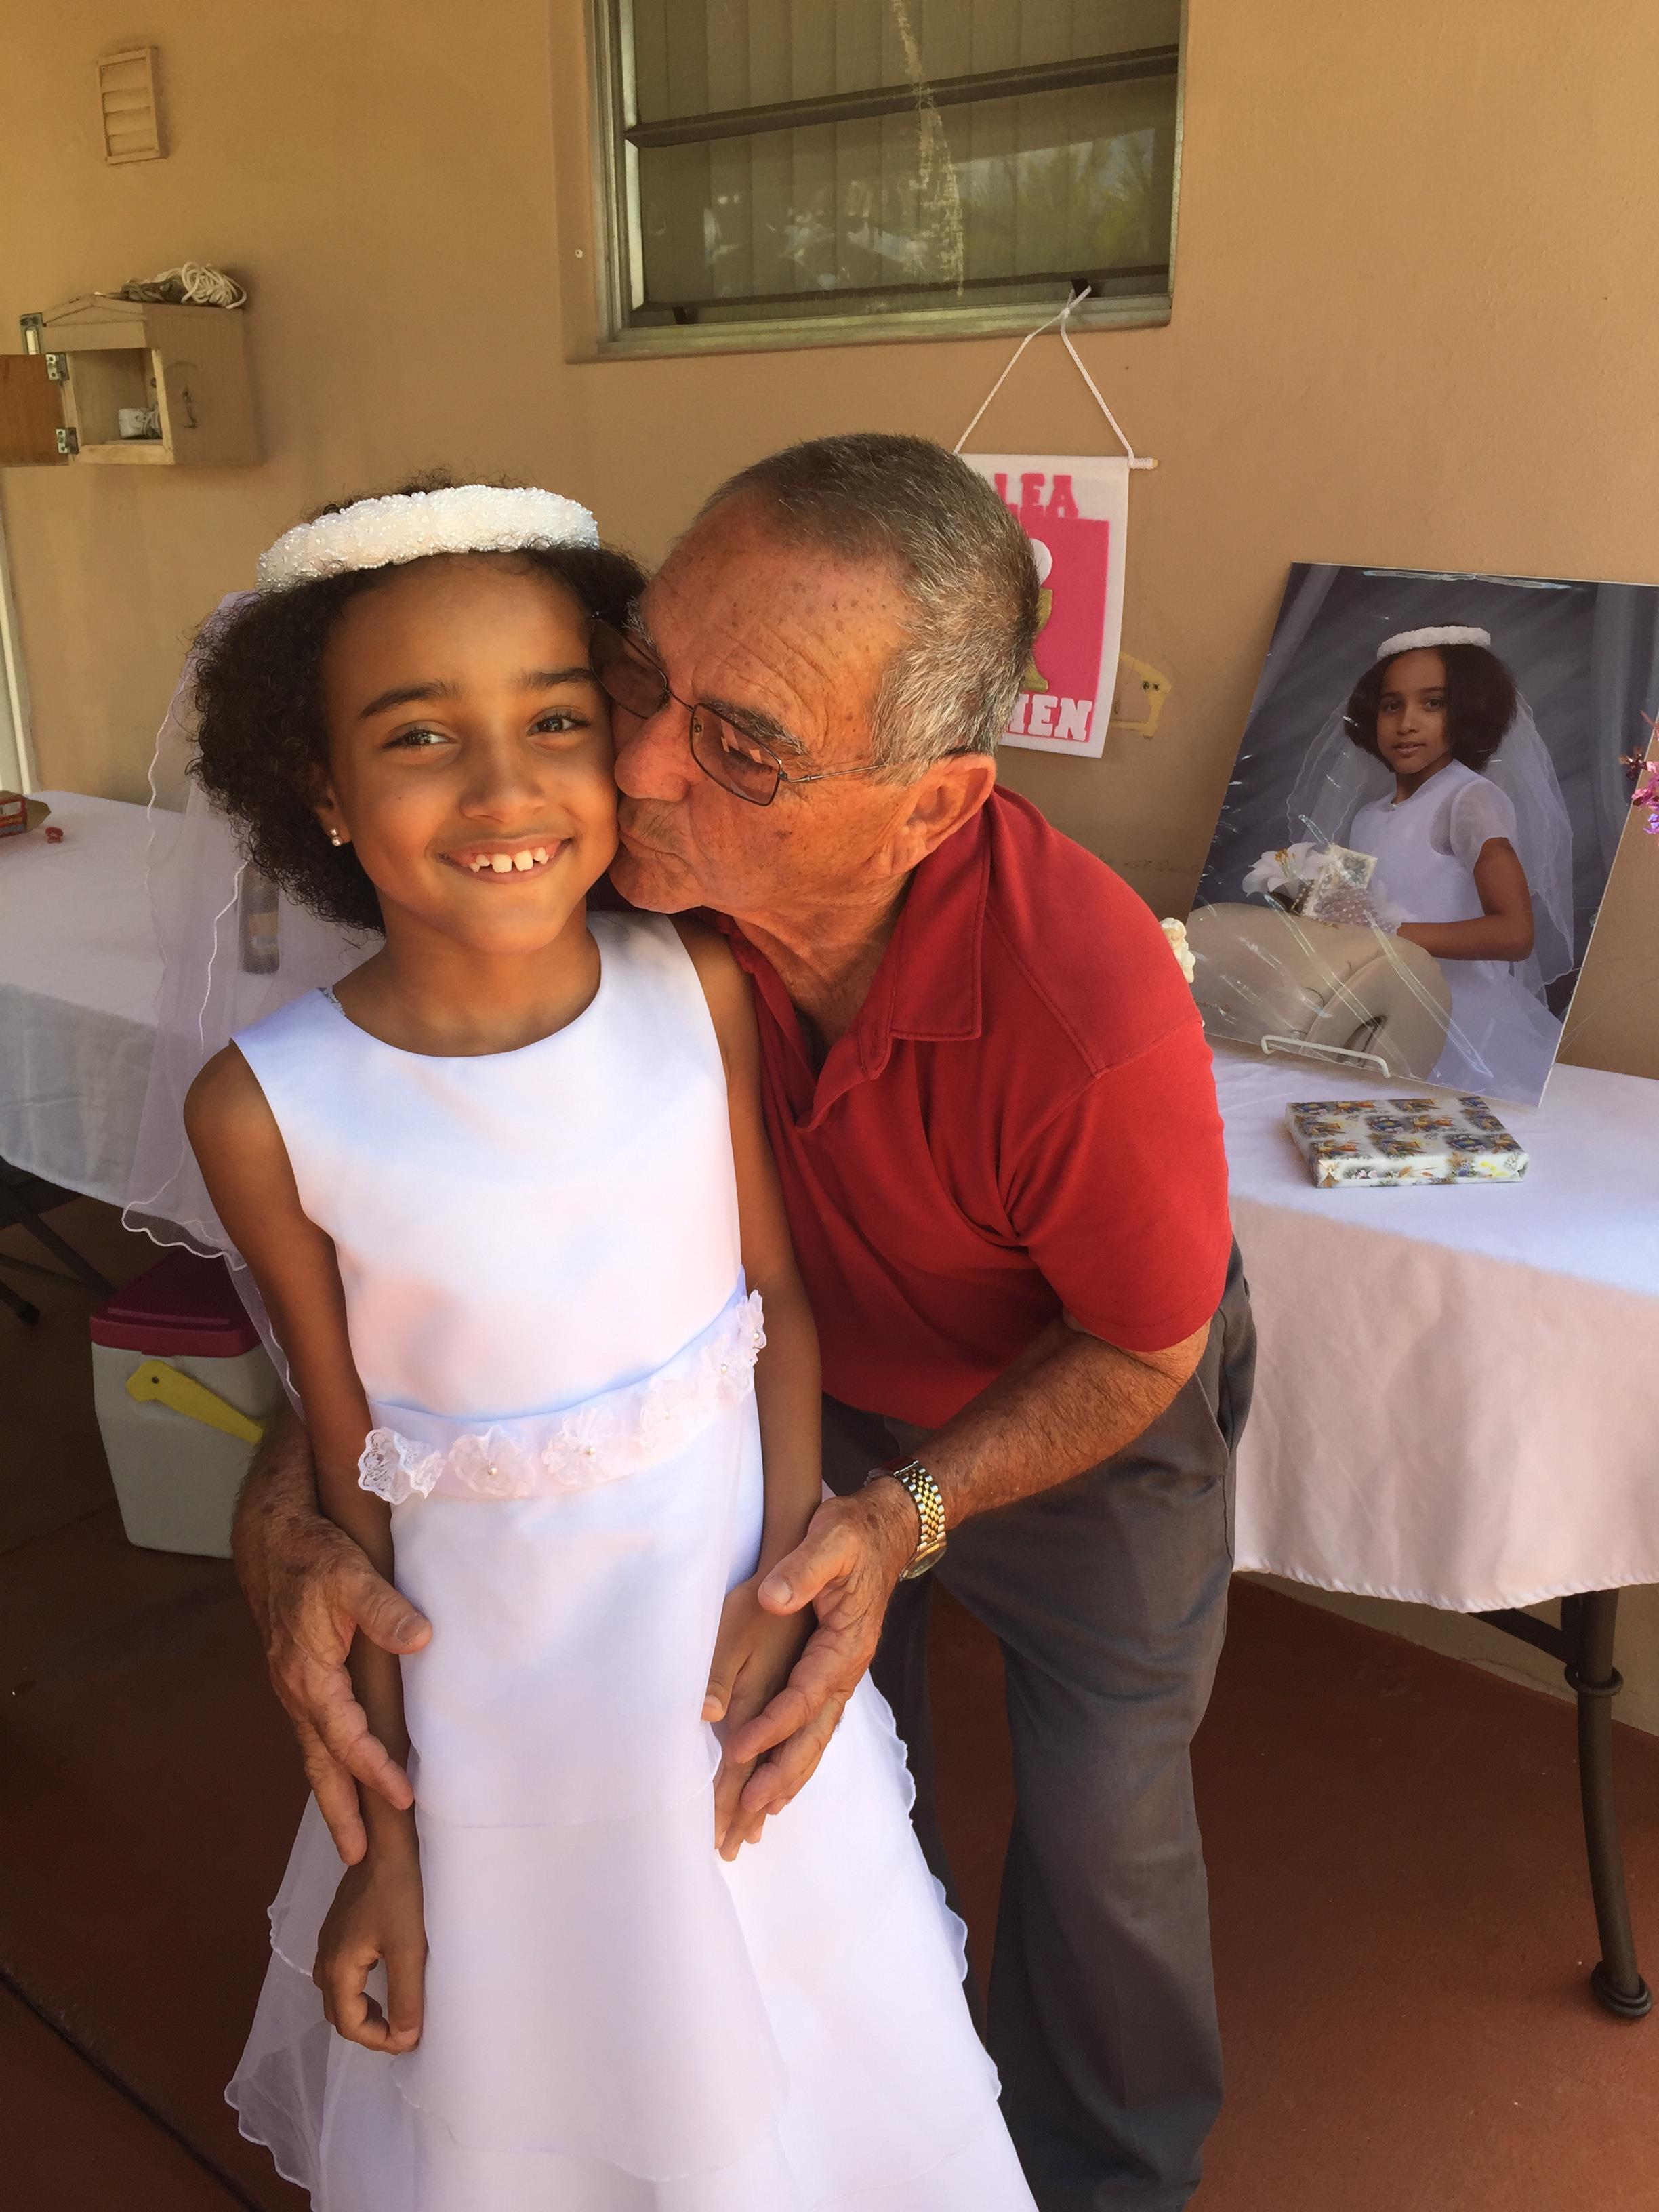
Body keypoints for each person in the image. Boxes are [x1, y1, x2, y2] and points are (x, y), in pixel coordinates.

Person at [226, 436, 1255, 2212]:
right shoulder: (607, 899)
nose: (636, 767)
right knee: (812, 1772)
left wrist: (902, 1515)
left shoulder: (1078, 1017)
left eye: (743, 744)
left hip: (1063, 1407)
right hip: (774, 1410)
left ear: (929, 805)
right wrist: (285, 1517)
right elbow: (432, 1267)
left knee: (1107, 1828)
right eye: (640, 680)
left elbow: (1142, 1349)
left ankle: (1114, 2180)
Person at [1279, 622, 1576, 1103]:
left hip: (1458, 1020)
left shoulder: (1469, 800)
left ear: (1469, 710)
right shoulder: (1368, 816)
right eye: (1391, 705)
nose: (1406, 723)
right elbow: (1346, 913)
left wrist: (1387, 933)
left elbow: (1515, 933)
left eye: (1433, 703)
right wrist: (1303, 896)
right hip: (1383, 1009)